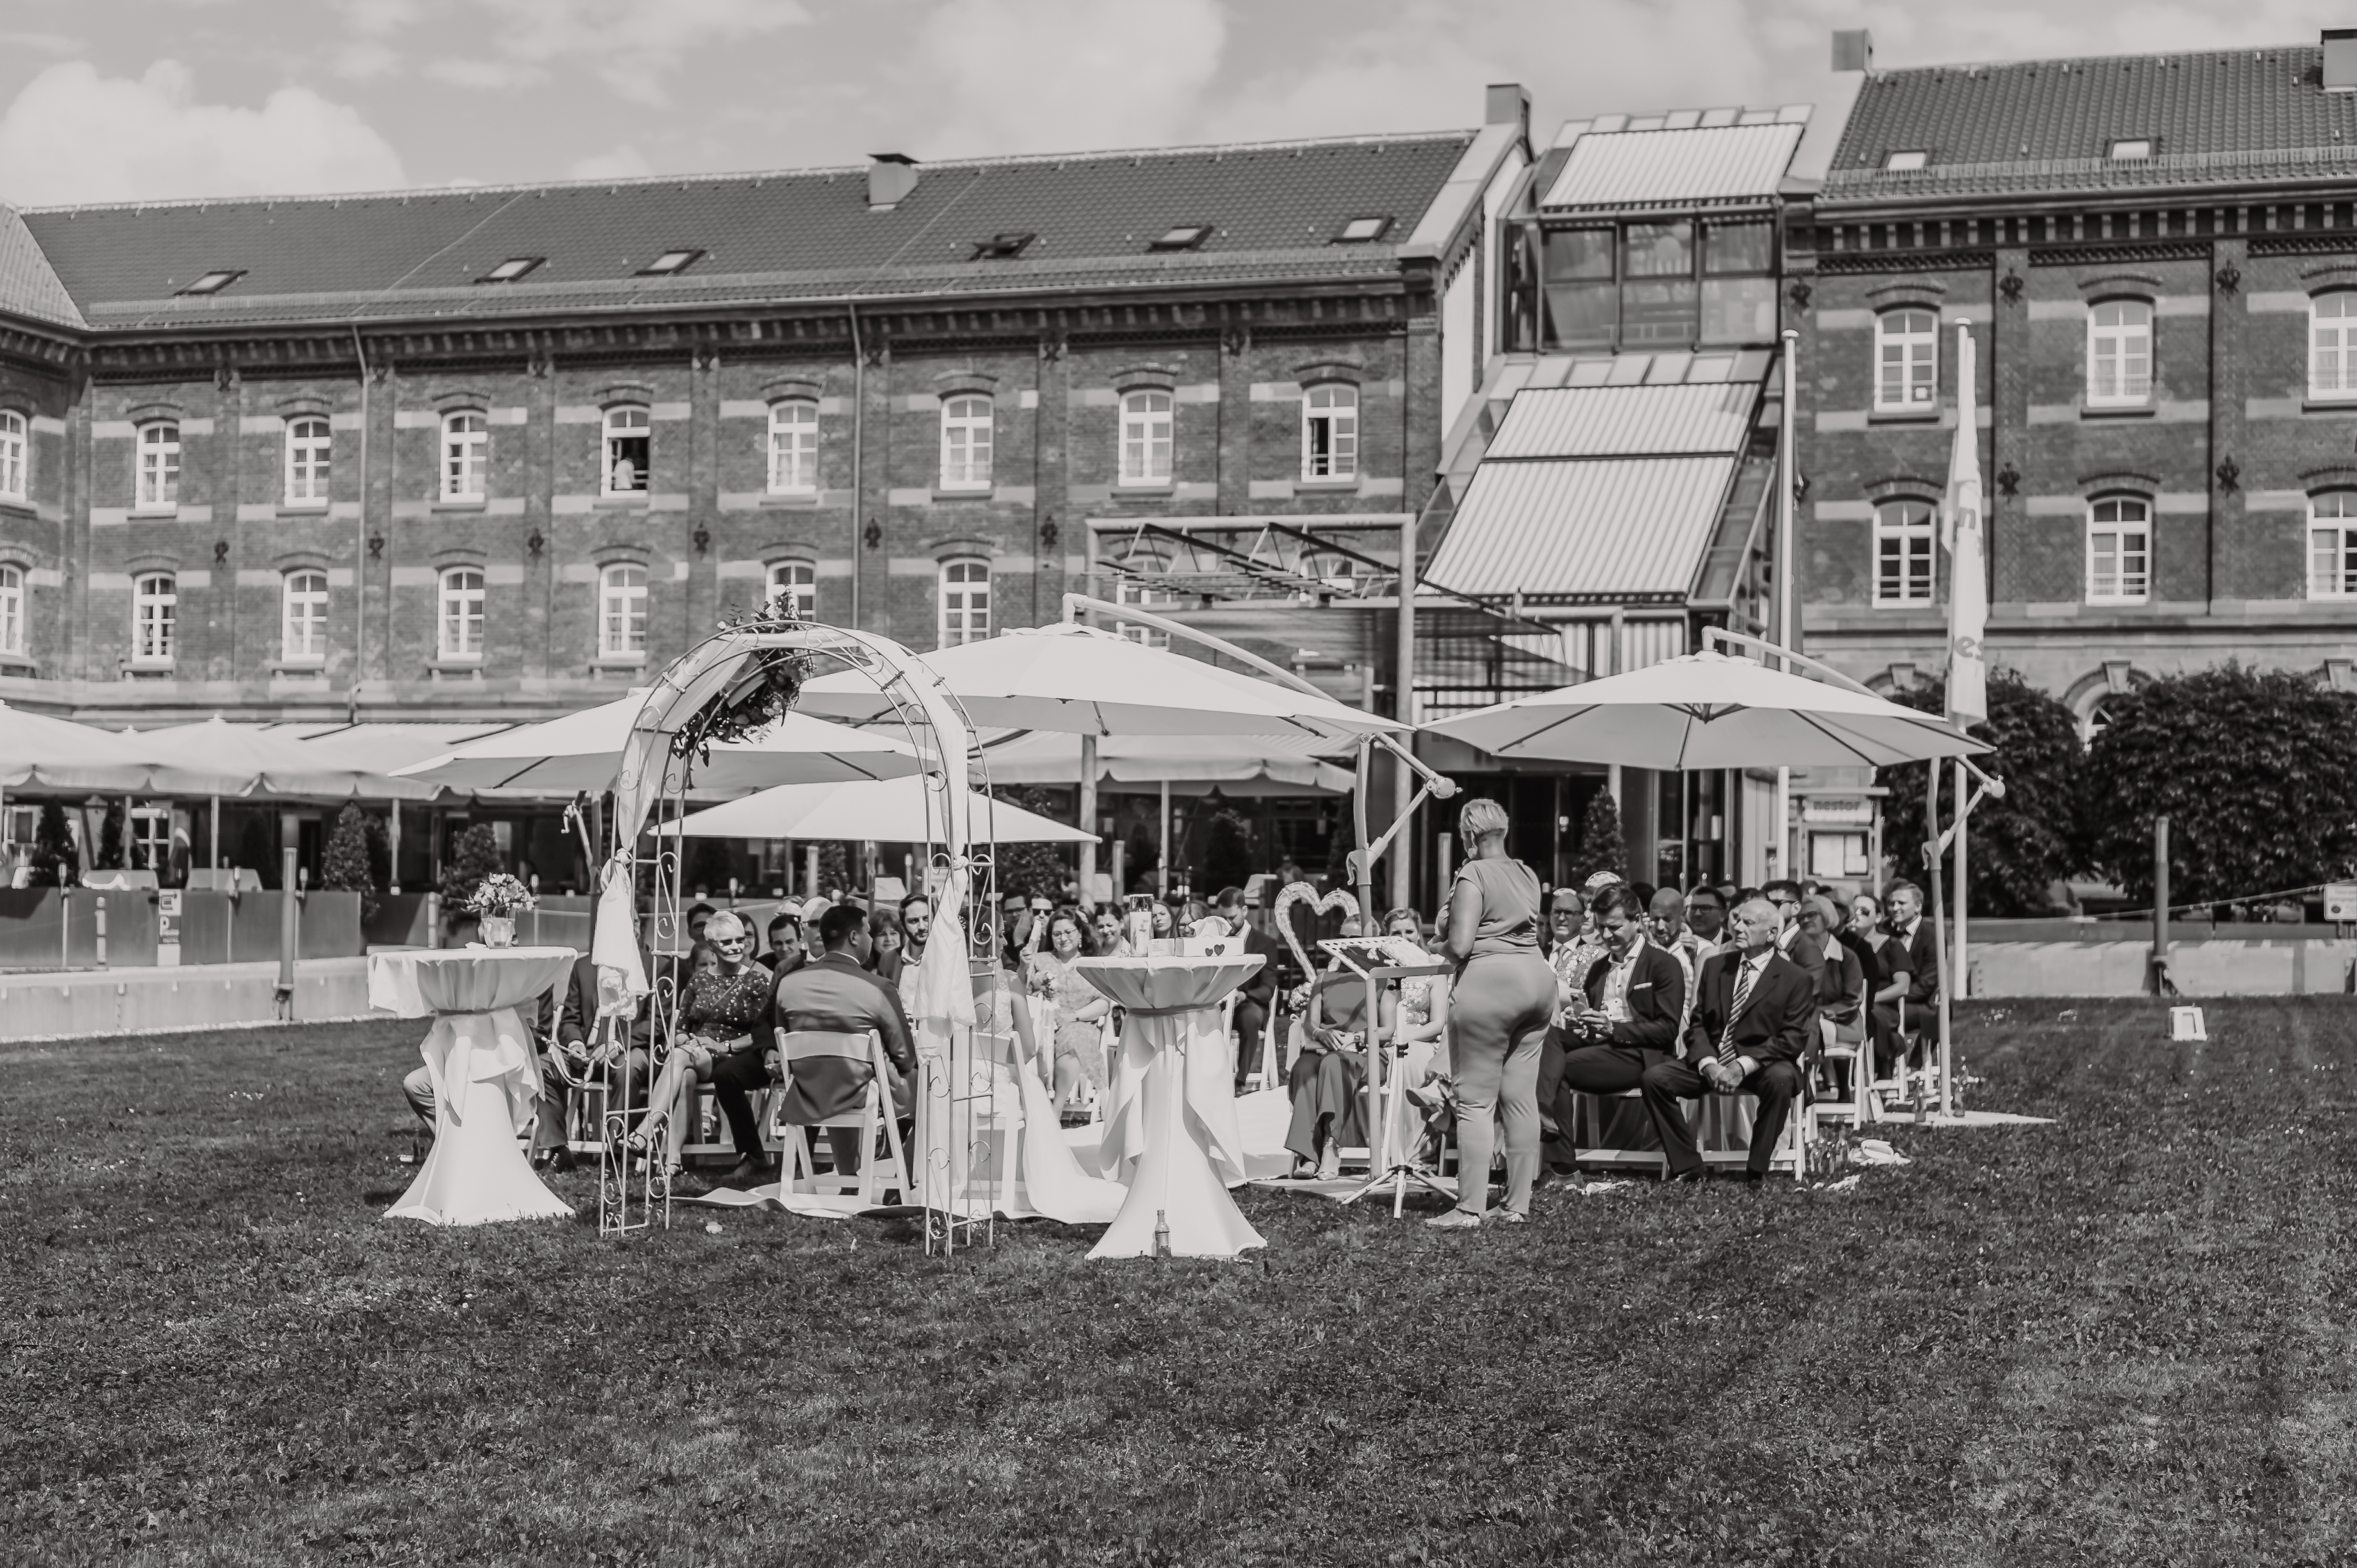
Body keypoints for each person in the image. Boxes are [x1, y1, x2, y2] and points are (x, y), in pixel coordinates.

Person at [1428, 797, 1553, 1229]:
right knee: (1521, 1099)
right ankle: (1517, 1205)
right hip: (1537, 981)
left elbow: (1460, 944)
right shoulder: (1527, 873)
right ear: (1504, 829)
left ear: (1468, 834)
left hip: (1490, 984)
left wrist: (1435, 946)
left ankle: (1468, 1208)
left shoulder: (1473, 874)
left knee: (1475, 1101)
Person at [1638, 897, 1815, 1184]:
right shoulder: (1716, 966)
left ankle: (1756, 1169)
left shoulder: (1795, 978)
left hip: (1762, 1064)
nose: (1738, 928)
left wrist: (1742, 1066)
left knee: (1781, 1079)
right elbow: (1698, 1024)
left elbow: (1792, 1038)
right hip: (1714, 1061)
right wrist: (1709, 1064)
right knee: (1654, 1078)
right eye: (1738, 921)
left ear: (1772, 933)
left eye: (1749, 923)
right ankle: (1688, 1165)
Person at [1541, 882, 1687, 1174]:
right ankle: (1543, 1116)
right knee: (1546, 1037)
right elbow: (1593, 1024)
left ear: (1637, 921)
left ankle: (1561, 1162)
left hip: (1641, 1053)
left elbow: (1667, 1030)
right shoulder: (1598, 968)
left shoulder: (1663, 964)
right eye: (1601, 928)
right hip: (1600, 1049)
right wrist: (1582, 1023)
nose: (1607, 936)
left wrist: (1613, 1028)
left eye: (1615, 927)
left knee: (1559, 1067)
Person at [772, 901, 919, 1179]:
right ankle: (907, 1173)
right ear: (854, 937)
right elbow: (905, 1056)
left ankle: (849, 1177)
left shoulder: (788, 984)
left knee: (835, 1070)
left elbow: (786, 1034)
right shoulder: (877, 987)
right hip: (858, 1091)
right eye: (868, 932)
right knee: (932, 1087)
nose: (870, 939)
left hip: (807, 1088)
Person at [632, 912, 777, 1186]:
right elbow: (681, 1029)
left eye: (739, 940)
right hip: (696, 1056)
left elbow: (763, 1033)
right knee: (684, 1073)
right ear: (711, 945)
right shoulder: (699, 981)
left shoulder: (757, 982)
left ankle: (648, 1127)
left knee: (679, 1059)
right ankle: (673, 1161)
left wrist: (723, 1045)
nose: (736, 947)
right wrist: (686, 1041)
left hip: (734, 1056)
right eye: (727, 942)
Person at [1025, 909, 1112, 1114]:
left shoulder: (1091, 964)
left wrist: (1072, 1017)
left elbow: (1104, 1003)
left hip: (1082, 1025)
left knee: (1074, 1039)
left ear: (1080, 933)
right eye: (1057, 934)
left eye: (1068, 932)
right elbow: (1026, 992)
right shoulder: (1040, 960)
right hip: (1045, 1028)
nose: (1063, 938)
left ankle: (1055, 1110)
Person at [1216, 885, 1283, 1090]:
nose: (1227, 924)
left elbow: (1268, 988)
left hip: (1248, 1004)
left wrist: (1244, 995)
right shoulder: (1215, 940)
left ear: (1244, 911)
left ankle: (1240, 1081)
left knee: (1250, 1018)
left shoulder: (1265, 943)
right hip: (1217, 1003)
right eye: (1223, 919)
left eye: (1232, 918)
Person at [1871, 881, 1938, 1076]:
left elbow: (1928, 981)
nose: (1895, 908)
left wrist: (1894, 997)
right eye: (1892, 903)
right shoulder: (1882, 930)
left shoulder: (1932, 935)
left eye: (1901, 903)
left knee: (1942, 1011)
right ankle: (1877, 1072)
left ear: (1918, 907)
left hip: (1915, 1001)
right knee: (1874, 1014)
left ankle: (1913, 1066)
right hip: (1883, 998)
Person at [893, 892, 932, 1011]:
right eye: (914, 921)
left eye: (926, 919)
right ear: (902, 924)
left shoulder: (946, 959)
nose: (922, 927)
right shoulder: (889, 960)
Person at [760, 910, 805, 975]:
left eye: (789, 942)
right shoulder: (761, 967)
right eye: (778, 943)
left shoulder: (813, 963)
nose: (785, 949)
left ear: (800, 941)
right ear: (771, 945)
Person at [1687, 886, 1728, 955]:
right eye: (1693, 908)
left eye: (1705, 908)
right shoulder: (1681, 945)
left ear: (1722, 915)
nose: (1697, 914)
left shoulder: (1734, 945)